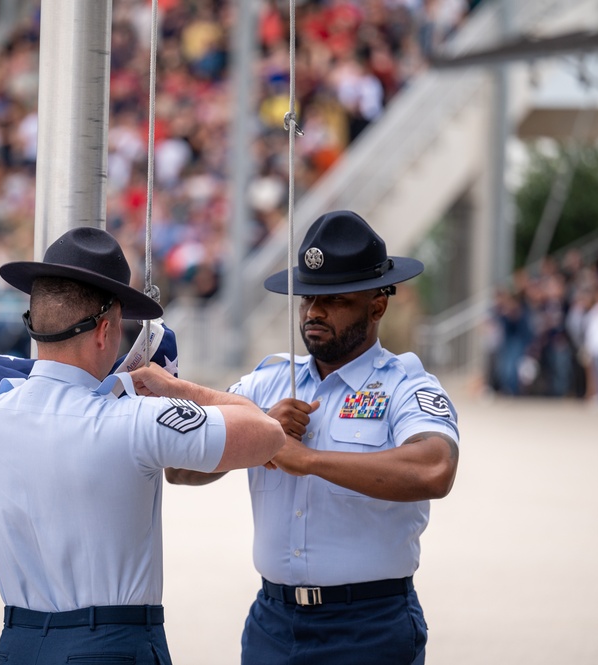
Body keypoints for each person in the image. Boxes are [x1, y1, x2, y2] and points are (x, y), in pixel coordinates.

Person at [0, 226, 285, 665]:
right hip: (111, 644)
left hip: (18, 642)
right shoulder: (131, 421)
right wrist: (180, 389)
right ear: (103, 332)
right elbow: (268, 432)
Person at [166, 210, 461, 665]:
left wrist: (306, 459)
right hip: (273, 623)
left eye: (335, 299)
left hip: (369, 626)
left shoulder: (406, 385)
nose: (314, 312)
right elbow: (180, 467)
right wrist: (257, 429)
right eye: (306, 298)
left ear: (377, 305)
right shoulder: (266, 382)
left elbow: (434, 468)